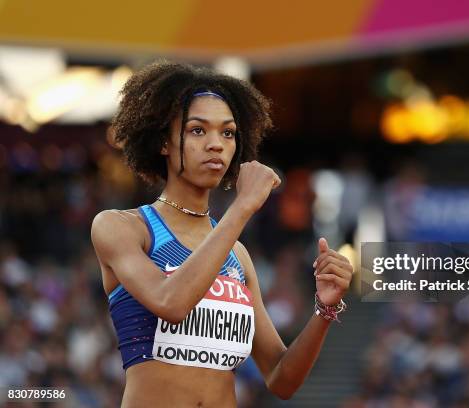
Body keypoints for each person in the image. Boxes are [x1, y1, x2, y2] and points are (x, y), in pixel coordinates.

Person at [90, 61, 353, 407]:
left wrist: (324, 310)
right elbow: (171, 303)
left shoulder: (236, 255)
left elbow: (281, 378)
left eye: (227, 133)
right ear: (163, 142)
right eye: (198, 130)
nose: (216, 144)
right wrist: (242, 206)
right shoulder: (121, 227)